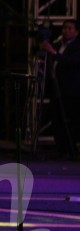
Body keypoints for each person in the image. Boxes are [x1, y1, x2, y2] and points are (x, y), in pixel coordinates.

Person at [40, 19, 80, 159]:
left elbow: (72, 62)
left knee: (68, 121)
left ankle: (70, 150)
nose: (66, 31)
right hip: (57, 90)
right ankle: (61, 149)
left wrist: (54, 52)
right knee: (56, 120)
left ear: (76, 32)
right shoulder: (59, 44)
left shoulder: (77, 46)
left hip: (71, 90)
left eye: (70, 28)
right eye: (64, 28)